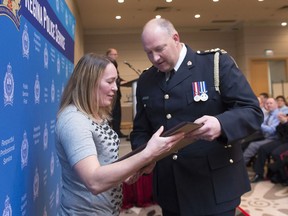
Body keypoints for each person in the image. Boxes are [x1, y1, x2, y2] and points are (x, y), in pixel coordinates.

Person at [130, 18, 263, 216]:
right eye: (148, 52)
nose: (155, 58)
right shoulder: (146, 80)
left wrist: (220, 124)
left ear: (176, 38)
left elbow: (252, 111)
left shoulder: (215, 64)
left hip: (214, 186)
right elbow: (141, 130)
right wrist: (144, 157)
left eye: (159, 49)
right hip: (170, 186)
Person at [55, 53, 185, 215]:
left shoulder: (95, 114)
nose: (115, 88)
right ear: (89, 83)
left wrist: (130, 170)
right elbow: (94, 181)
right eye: (109, 82)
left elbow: (103, 164)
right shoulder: (74, 121)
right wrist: (147, 153)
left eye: (115, 81)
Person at [251, 112, 288, 183]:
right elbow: (279, 132)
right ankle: (259, 174)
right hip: (282, 140)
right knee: (263, 149)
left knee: (276, 153)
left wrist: (286, 123)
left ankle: (282, 176)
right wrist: (282, 123)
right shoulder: (285, 115)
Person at [243, 98, 279, 165]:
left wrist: (258, 123)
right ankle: (245, 162)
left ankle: (242, 165)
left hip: (273, 138)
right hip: (264, 135)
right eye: (267, 103)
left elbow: (271, 131)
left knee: (252, 145)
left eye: (271, 103)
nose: (268, 105)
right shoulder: (268, 113)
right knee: (245, 140)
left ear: (276, 105)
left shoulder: (278, 115)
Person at [106, 48, 127, 138]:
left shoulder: (115, 65)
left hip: (117, 96)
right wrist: (119, 82)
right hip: (110, 96)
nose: (115, 56)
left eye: (116, 54)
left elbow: (117, 78)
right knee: (110, 114)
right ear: (108, 55)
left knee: (117, 114)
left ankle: (117, 131)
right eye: (114, 54)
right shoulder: (106, 65)